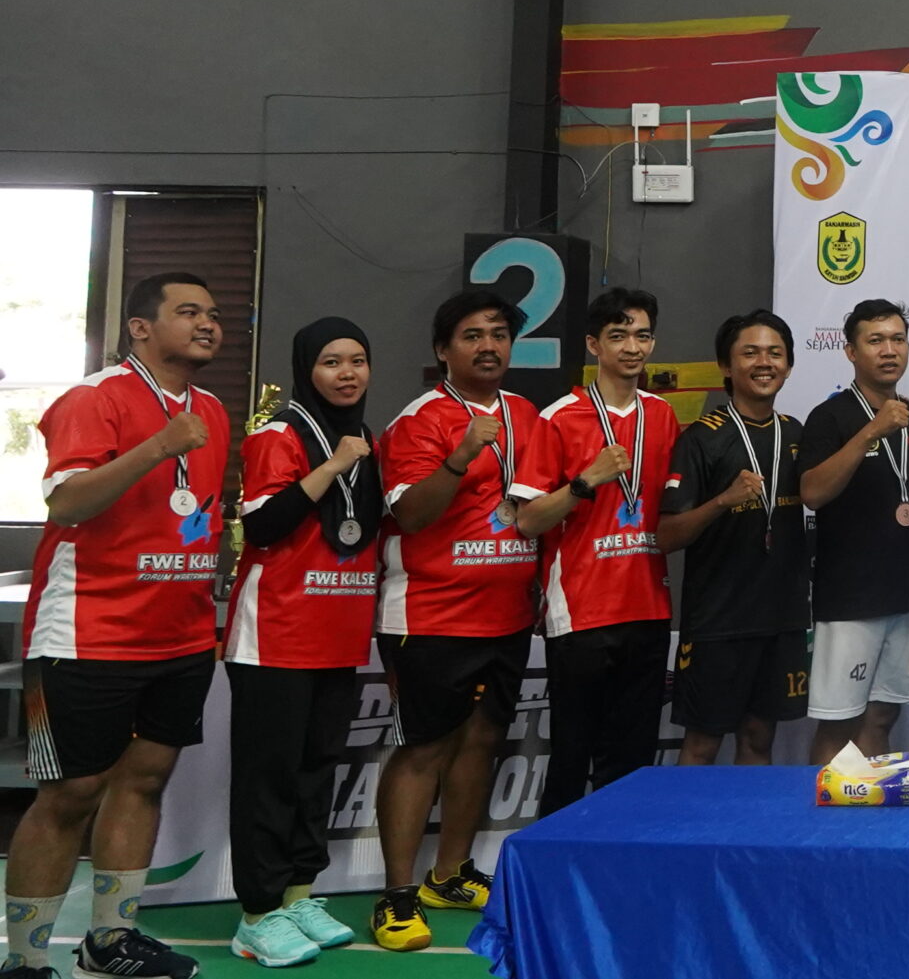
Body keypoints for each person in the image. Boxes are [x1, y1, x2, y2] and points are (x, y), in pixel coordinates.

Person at [372, 289, 612, 952]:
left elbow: (529, 512)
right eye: (473, 335)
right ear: (443, 349)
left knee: (482, 741)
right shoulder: (420, 419)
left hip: (505, 615)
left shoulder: (525, 415)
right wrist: (459, 456)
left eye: (499, 334)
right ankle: (396, 894)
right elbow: (411, 514)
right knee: (424, 749)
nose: (488, 346)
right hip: (431, 615)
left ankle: (448, 874)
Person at [9, 273, 227, 979]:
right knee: (69, 793)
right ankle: (24, 960)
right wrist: (160, 445)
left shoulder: (211, 410)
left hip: (180, 636)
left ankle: (109, 940)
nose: (207, 323)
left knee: (145, 780)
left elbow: (194, 513)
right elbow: (68, 501)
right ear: (140, 327)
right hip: (85, 633)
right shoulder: (95, 398)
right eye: (188, 312)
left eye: (213, 314)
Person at [223, 317, 384, 966]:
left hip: (338, 633)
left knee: (317, 772)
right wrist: (335, 465)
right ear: (305, 369)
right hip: (276, 636)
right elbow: (263, 524)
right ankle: (256, 914)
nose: (347, 373)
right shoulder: (278, 434)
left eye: (357, 360)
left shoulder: (366, 438)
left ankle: (297, 895)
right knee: (270, 778)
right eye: (331, 361)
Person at [519, 289, 678, 813]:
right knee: (572, 758)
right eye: (618, 336)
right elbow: (528, 520)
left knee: (632, 764)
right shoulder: (559, 418)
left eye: (642, 335)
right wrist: (586, 481)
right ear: (594, 345)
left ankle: (620, 857)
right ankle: (557, 859)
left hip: (648, 607)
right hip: (582, 613)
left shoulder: (662, 415)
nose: (633, 347)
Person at [659, 310, 813, 767]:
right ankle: (686, 819)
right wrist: (722, 500)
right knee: (702, 744)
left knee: (759, 739)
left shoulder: (797, 433)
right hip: (719, 622)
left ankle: (751, 819)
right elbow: (666, 536)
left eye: (775, 353)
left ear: (788, 365)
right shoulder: (701, 439)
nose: (764, 363)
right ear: (726, 365)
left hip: (781, 619)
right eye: (750, 353)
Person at [797, 300, 909, 764]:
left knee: (881, 717)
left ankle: (869, 804)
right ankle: (823, 810)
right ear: (850, 352)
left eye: (898, 339)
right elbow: (812, 493)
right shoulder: (830, 417)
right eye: (875, 340)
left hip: (905, 597)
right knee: (839, 721)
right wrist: (870, 433)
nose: (889, 350)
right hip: (850, 599)